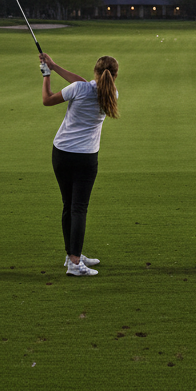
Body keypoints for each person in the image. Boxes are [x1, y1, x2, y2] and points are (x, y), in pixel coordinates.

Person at [40, 52, 119, 277]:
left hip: (61, 153)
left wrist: (47, 74)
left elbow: (47, 99)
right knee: (79, 208)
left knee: (68, 205)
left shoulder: (78, 89)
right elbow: (82, 83)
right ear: (114, 75)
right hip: (85, 158)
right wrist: (54, 66)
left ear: (94, 71)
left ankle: (71, 255)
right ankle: (75, 261)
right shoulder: (112, 93)